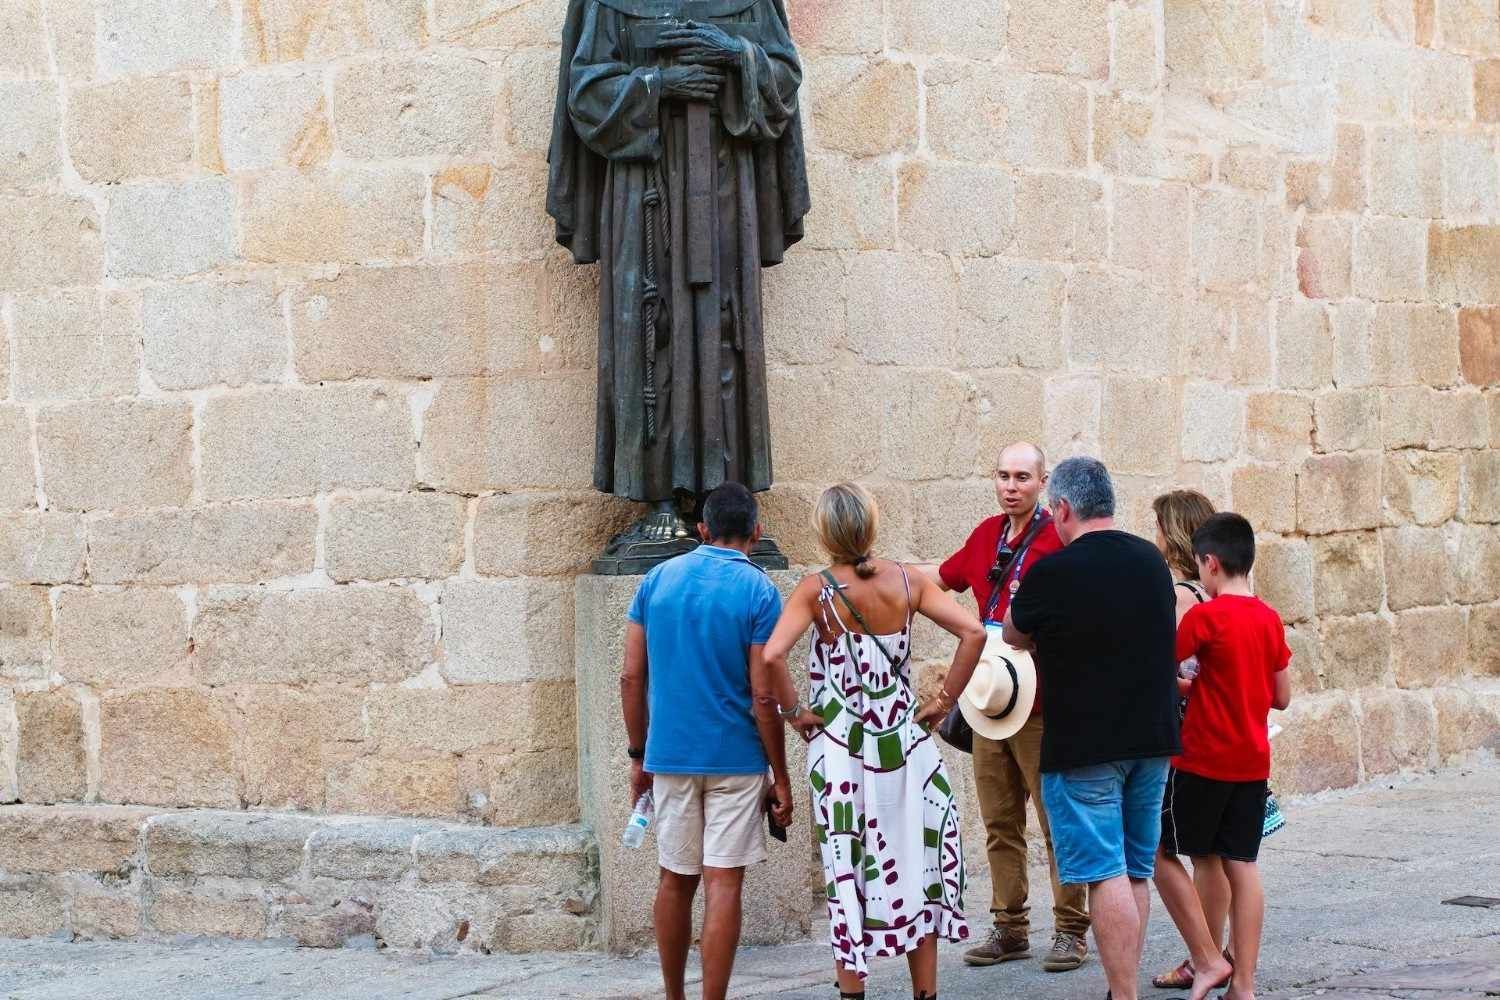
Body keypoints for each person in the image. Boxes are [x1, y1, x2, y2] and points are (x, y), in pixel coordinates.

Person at [759, 482, 987, 1000]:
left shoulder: (816, 591)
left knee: (849, 872)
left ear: (825, 531)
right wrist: (944, 698)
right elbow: (974, 633)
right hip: (906, 745)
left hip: (842, 750)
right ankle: (924, 993)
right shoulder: (907, 581)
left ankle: (852, 993)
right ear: (870, 526)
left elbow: (773, 656)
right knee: (918, 865)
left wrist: (795, 712)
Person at [1000, 457, 1184, 1000]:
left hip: (1086, 744)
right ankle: (1119, 987)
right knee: (1134, 869)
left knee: (1104, 872)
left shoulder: (1052, 571)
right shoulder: (1150, 560)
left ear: (1061, 508)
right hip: (1152, 739)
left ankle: (1122, 993)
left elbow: (1012, 632)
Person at [619, 482, 794, 1000]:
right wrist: (779, 773)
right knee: (724, 883)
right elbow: (763, 694)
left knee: (675, 878)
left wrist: (637, 754)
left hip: (669, 754)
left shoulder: (656, 580)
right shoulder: (760, 590)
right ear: (756, 532)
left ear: (702, 530)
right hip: (736, 758)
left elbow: (631, 677)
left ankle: (674, 995)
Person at [920, 442, 1089, 972]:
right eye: (1002, 476)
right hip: (988, 698)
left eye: (1022, 477)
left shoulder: (1056, 544)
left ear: (1043, 484)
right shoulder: (983, 536)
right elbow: (940, 582)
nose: (1010, 486)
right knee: (998, 820)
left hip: (1039, 703)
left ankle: (1070, 929)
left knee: (1055, 818)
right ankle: (1009, 926)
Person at [1155, 513, 1293, 1000]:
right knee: (1244, 864)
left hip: (1203, 759)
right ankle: (1245, 984)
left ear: (1209, 563)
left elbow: (1160, 667)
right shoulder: (1269, 618)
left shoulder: (1205, 616)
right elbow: (1281, 696)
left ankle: (1207, 959)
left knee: (1201, 859)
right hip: (1253, 760)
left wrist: (1185, 686)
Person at [1149, 490, 1235, 992]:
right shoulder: (1219, 591)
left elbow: (1170, 667)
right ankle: (1215, 951)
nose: (1153, 536)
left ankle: (1202, 954)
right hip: (1220, 727)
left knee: (1160, 847)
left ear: (1174, 532)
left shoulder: (1180, 595)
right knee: (1214, 853)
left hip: (1183, 731)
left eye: (1158, 525)